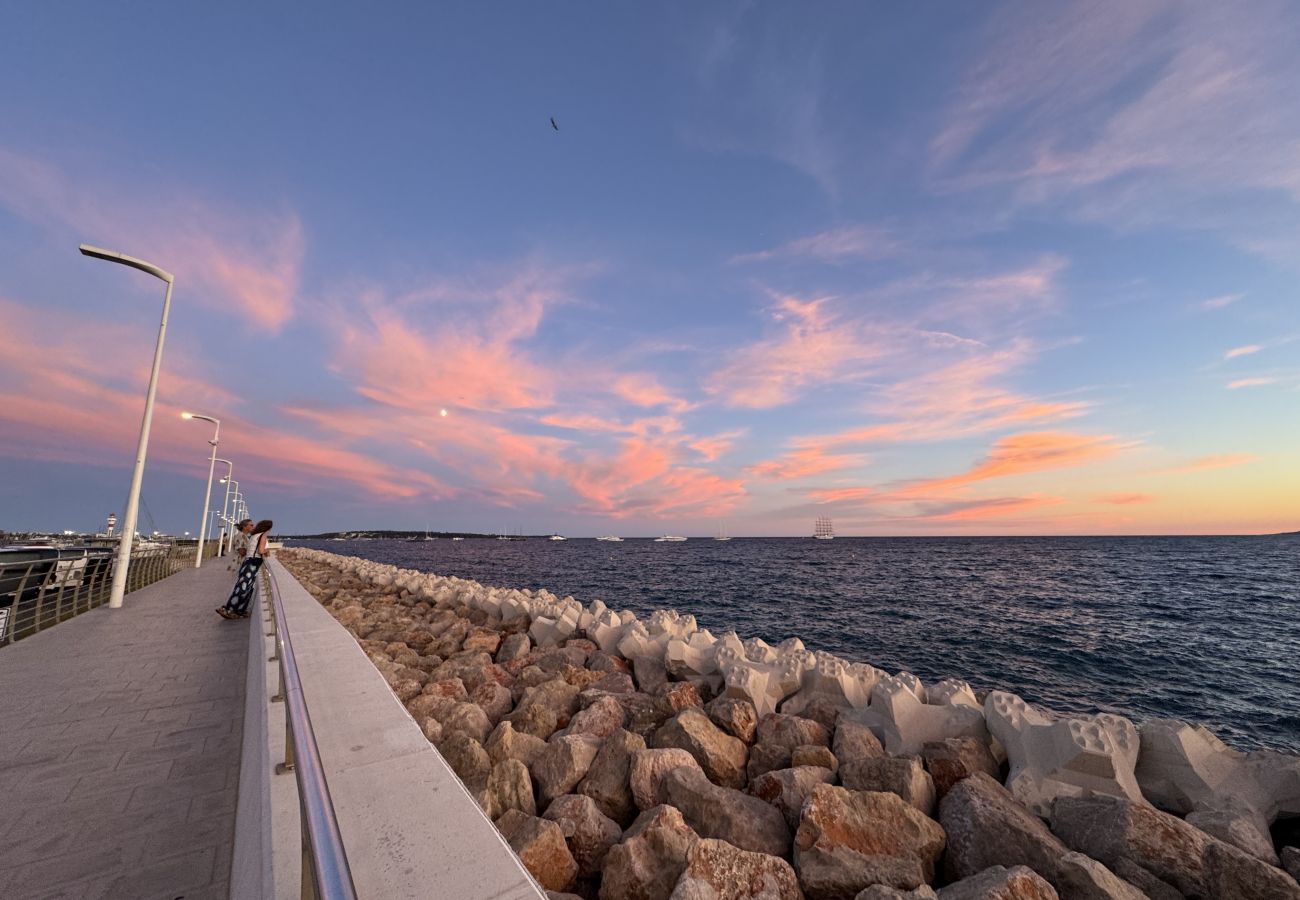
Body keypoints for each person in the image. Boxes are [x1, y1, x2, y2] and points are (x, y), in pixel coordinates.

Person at [217, 519, 272, 619]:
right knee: (242, 587)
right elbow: (256, 551)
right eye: (251, 525)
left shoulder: (252, 536)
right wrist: (266, 551)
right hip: (249, 563)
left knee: (246, 587)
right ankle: (229, 609)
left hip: (248, 563)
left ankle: (239, 610)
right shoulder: (253, 536)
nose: (252, 526)